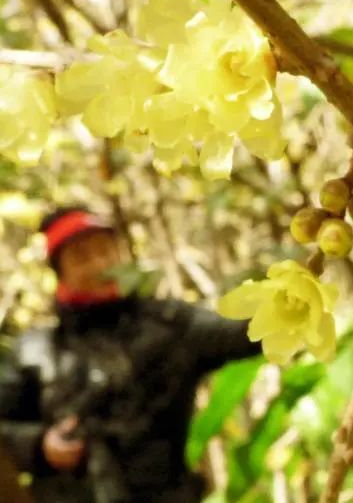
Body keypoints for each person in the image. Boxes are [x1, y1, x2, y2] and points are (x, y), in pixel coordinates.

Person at [0, 208, 261, 503]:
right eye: (82, 256)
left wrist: (300, 299)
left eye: (106, 251)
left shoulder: (170, 325)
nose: (100, 264)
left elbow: (245, 332)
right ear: (60, 271)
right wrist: (40, 446)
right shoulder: (35, 350)